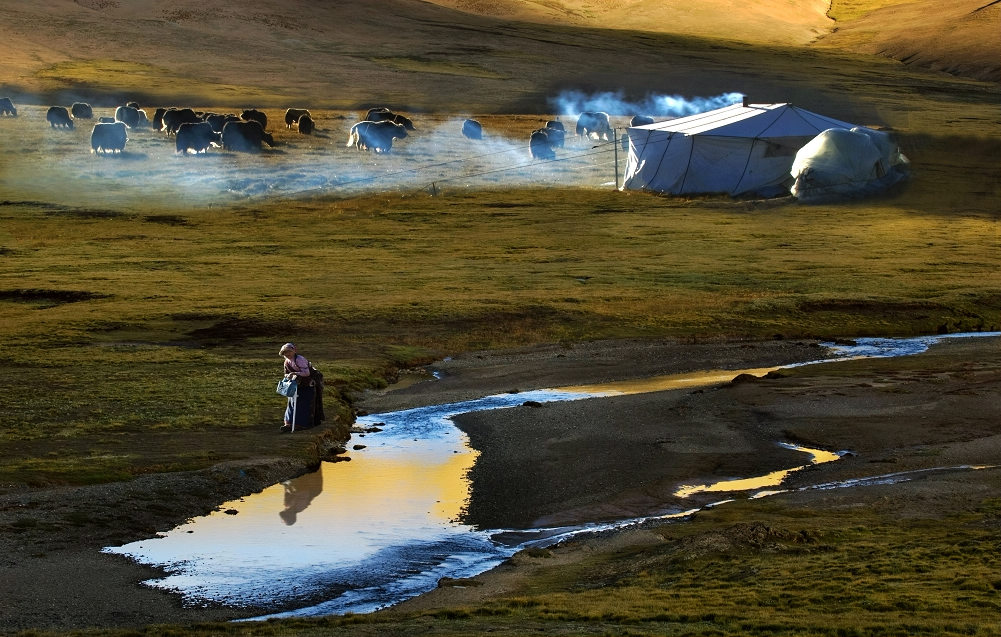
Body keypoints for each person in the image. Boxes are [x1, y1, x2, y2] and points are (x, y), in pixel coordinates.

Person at [279, 342, 314, 433]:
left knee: (302, 404)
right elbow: (286, 374)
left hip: (306, 385)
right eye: (285, 352)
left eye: (289, 351)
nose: (287, 354)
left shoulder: (299, 359)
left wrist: (295, 373)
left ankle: (301, 424)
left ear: (294, 351)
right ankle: (289, 424)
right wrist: (288, 376)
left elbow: (307, 373)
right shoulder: (286, 361)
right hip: (294, 385)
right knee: (291, 403)